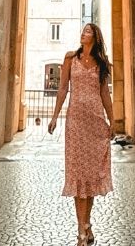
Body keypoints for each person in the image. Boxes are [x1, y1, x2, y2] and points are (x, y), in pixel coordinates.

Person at [48, 23, 114, 245]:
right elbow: (63, 88)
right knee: (78, 174)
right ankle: (81, 231)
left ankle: (87, 224)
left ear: (95, 37)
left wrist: (112, 120)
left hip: (95, 121)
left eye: (87, 31)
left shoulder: (102, 63)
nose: (83, 33)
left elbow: (104, 92)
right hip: (75, 121)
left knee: (92, 176)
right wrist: (55, 116)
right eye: (83, 31)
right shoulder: (69, 58)